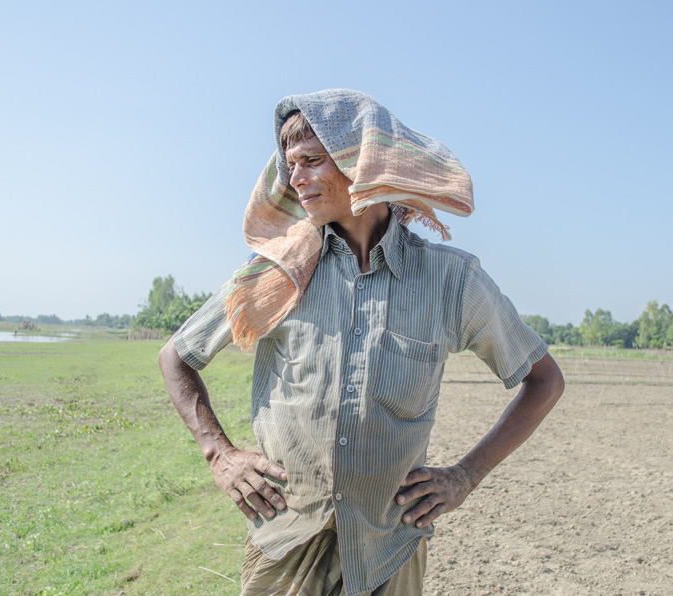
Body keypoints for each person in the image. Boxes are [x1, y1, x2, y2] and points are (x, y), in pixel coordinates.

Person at [159, 89, 565, 595]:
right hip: (286, 543)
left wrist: (465, 475)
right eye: (290, 166)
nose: (297, 179)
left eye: (311, 161)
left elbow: (543, 379)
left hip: (389, 547)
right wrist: (220, 455)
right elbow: (176, 356)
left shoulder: (450, 281)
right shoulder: (277, 273)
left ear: (363, 163)